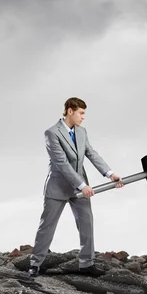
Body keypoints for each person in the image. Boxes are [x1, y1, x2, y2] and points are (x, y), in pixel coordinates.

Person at [28, 97, 123, 277]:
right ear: (70, 111)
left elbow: (91, 154)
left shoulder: (82, 132)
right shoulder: (52, 133)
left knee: (86, 223)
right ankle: (35, 264)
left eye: (84, 113)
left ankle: (86, 263)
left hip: (80, 187)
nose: (83, 117)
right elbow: (62, 163)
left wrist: (110, 174)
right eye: (81, 113)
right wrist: (82, 185)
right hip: (58, 187)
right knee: (47, 227)